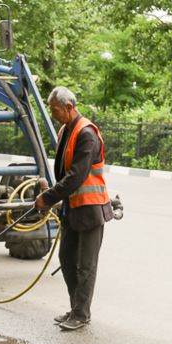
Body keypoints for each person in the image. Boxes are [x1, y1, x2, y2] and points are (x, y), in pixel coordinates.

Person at [35, 87, 113, 331]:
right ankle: (75, 309)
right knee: (67, 259)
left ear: (69, 107)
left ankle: (81, 314)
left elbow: (76, 175)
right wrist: (53, 198)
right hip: (71, 207)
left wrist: (47, 198)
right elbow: (62, 172)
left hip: (90, 209)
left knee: (85, 265)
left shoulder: (87, 134)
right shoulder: (65, 130)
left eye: (55, 110)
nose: (53, 114)